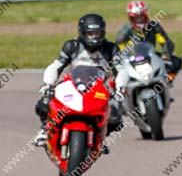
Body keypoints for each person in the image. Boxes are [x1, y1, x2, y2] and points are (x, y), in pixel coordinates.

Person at [34, 14, 127, 147]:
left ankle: (100, 138)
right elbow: (56, 65)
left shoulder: (111, 48)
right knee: (44, 102)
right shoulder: (72, 46)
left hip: (99, 89)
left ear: (103, 33)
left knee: (115, 117)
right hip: (73, 85)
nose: (94, 37)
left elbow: (121, 70)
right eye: (90, 34)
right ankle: (45, 130)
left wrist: (120, 88)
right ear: (82, 33)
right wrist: (48, 84)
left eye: (97, 33)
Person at [116, 0, 182, 82]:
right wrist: (124, 58)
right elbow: (119, 47)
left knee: (177, 62)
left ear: (146, 15)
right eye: (136, 18)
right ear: (131, 18)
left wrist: (166, 54)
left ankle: (166, 81)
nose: (139, 20)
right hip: (132, 59)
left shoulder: (154, 26)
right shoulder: (125, 30)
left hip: (151, 56)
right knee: (117, 70)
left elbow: (166, 42)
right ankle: (118, 90)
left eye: (141, 17)